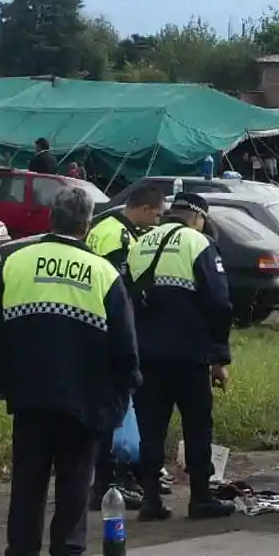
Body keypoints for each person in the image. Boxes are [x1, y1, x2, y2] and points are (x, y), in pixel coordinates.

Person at [0, 186, 140, 556]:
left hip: (28, 393)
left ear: (51, 218)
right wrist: (127, 386)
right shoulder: (102, 272)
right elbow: (124, 341)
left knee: (28, 478)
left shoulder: (15, 262)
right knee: (75, 478)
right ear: (86, 223)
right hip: (84, 394)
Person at [126, 192, 236, 520]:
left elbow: (127, 300)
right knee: (197, 425)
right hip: (189, 355)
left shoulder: (141, 243)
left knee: (151, 427)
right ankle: (201, 498)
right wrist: (220, 357)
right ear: (199, 217)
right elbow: (219, 302)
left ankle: (151, 501)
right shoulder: (198, 243)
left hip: (147, 355)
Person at [84, 184, 167, 510]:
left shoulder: (105, 227)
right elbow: (120, 289)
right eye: (157, 214)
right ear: (145, 208)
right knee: (115, 411)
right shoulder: (117, 236)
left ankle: (109, 478)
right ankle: (109, 482)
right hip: (108, 330)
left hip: (92, 327)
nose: (158, 222)